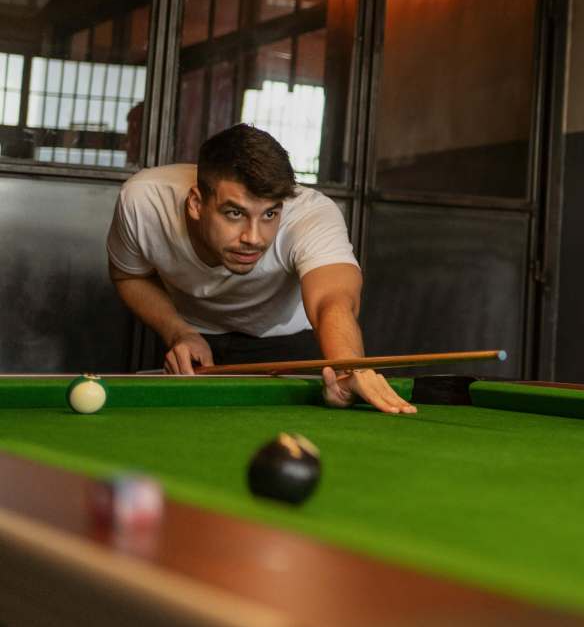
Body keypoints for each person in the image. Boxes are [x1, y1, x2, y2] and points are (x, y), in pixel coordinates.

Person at [108, 123, 414, 414]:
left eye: (270, 214)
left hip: (287, 342)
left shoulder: (311, 215)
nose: (253, 238)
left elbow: (330, 302)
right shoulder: (144, 202)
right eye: (234, 213)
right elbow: (130, 275)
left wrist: (350, 368)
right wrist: (178, 332)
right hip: (191, 341)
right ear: (196, 203)